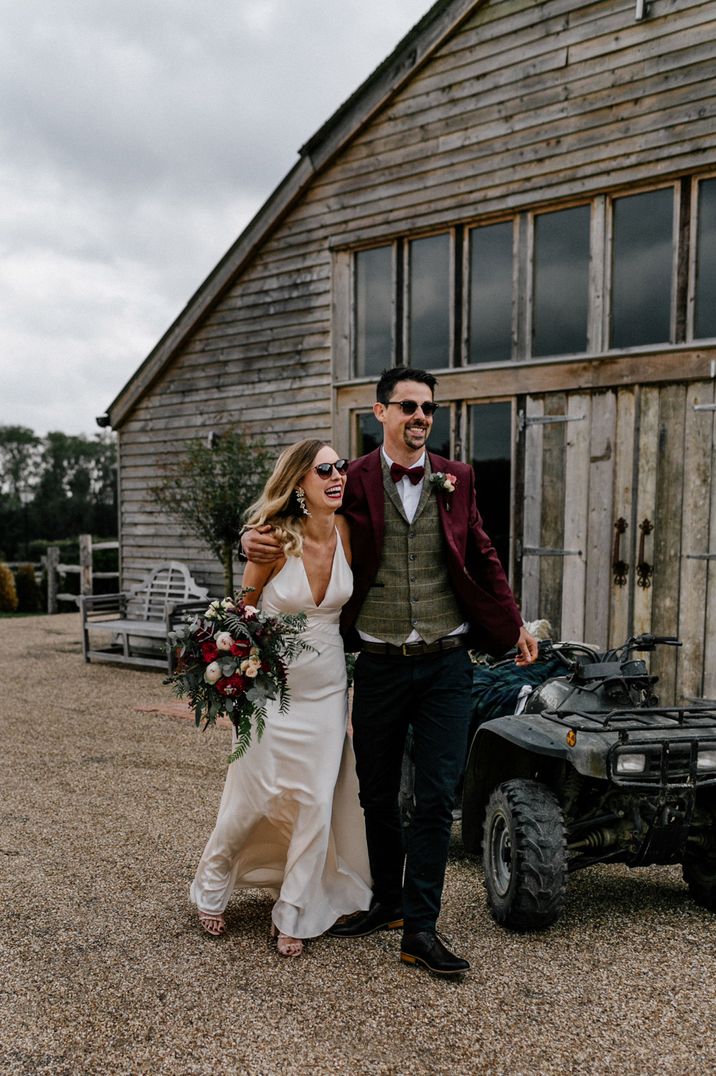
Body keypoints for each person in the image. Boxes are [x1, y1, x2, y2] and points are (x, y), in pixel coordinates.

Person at [242, 368, 537, 975]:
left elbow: (481, 553)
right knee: (376, 793)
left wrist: (514, 625)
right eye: (407, 406)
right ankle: (387, 900)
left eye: (428, 407)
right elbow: (292, 515)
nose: (420, 416)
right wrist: (251, 540)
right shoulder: (346, 479)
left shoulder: (458, 479)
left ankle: (421, 930)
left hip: (447, 664)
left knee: (432, 798)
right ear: (381, 413)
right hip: (376, 663)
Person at [190, 439, 372, 958]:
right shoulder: (271, 542)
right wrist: (230, 678)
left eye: (340, 467)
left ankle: (293, 909)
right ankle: (211, 886)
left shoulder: (348, 532)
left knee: (315, 802)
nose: (337, 476)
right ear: (298, 484)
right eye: (324, 470)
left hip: (327, 693)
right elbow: (240, 617)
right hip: (270, 695)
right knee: (252, 799)